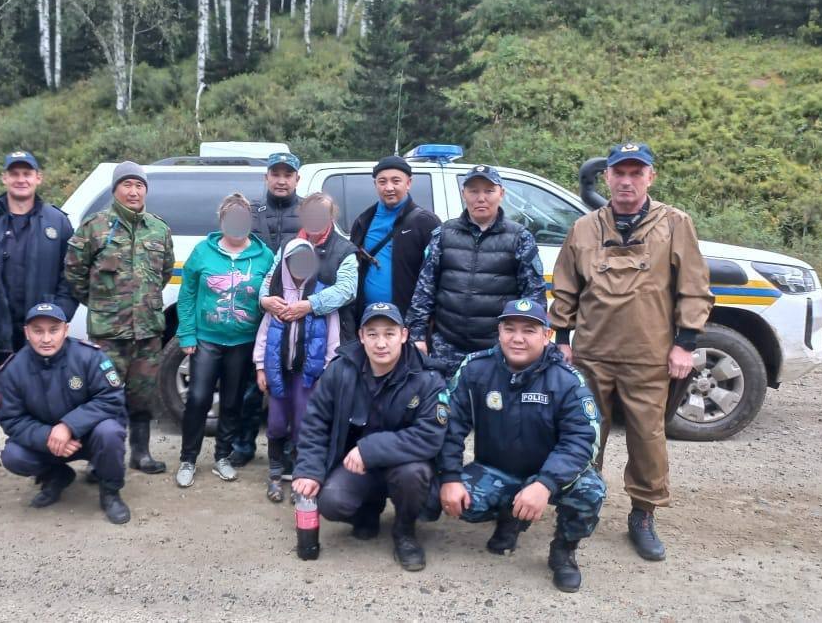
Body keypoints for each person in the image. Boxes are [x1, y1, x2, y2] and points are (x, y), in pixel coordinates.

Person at [549, 142, 713, 562]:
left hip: (649, 354)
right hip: (591, 354)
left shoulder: (675, 224)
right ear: (606, 177)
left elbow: (694, 288)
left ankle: (642, 514)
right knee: (584, 435)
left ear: (650, 177)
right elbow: (566, 287)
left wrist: (685, 344)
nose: (626, 180)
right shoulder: (584, 228)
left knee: (648, 437)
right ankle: (581, 504)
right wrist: (562, 343)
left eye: (636, 173)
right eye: (619, 172)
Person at [434, 299, 606, 592]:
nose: (517, 338)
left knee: (591, 492)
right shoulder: (476, 369)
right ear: (499, 331)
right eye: (509, 329)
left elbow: (581, 441)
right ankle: (510, 518)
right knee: (456, 500)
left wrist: (545, 484)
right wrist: (449, 478)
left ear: (546, 335)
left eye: (529, 330)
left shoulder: (567, 380)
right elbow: (450, 426)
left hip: (551, 478)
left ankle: (563, 551)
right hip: (497, 468)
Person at [292, 303, 447, 572]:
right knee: (331, 501)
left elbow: (430, 435)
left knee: (414, 474)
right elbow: (316, 422)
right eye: (373, 334)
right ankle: (368, 509)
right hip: (356, 468)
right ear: (361, 336)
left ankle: (405, 532)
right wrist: (308, 470)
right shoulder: (340, 370)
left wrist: (369, 450)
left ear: (404, 335)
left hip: (403, 465)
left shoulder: (427, 377)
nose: (381, 343)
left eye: (389, 333)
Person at [0, 150, 79, 489]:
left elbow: (72, 276)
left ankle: (49, 465)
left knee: (48, 398)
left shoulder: (57, 222)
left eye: (28, 173)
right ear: (4, 178)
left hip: (42, 333)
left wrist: (59, 319)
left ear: (39, 178)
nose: (21, 179)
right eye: (15, 173)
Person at [65, 161, 173, 475]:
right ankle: (101, 459)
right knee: (104, 397)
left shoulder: (159, 228)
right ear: (115, 189)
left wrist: (142, 302)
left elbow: (163, 273)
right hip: (108, 335)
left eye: (139, 185)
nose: (134, 191)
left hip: (147, 333)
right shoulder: (94, 227)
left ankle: (140, 454)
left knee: (142, 397)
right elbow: (74, 272)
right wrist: (102, 303)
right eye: (127, 184)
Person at [0, 303, 131, 524]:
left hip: (89, 437)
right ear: (26, 332)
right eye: (38, 331)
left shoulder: (90, 357)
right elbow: (11, 418)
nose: (46, 339)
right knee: (13, 456)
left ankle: (110, 492)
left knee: (110, 432)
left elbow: (112, 398)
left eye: (53, 330)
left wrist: (68, 426)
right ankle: (57, 475)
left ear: (66, 330)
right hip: (48, 443)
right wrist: (47, 436)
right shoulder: (13, 370)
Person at [174, 193, 275, 487]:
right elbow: (187, 294)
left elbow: (269, 295)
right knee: (197, 398)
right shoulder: (202, 252)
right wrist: (187, 333)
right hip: (207, 339)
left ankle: (222, 456)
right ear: (222, 220)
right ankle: (188, 458)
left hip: (243, 341)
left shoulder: (264, 255)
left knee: (232, 402)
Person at [406, 164, 546, 374]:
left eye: (489, 191)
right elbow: (424, 290)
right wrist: (417, 336)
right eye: (473, 191)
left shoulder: (520, 238)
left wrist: (527, 343)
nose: (481, 198)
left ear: (502, 193)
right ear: (464, 194)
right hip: (447, 347)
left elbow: (534, 296)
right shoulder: (443, 234)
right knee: (446, 405)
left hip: (498, 349)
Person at [232, 151, 308, 467]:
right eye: (275, 173)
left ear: (296, 179)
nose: (281, 180)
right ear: (266, 177)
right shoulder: (249, 212)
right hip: (254, 310)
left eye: (287, 174)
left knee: (292, 385)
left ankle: (290, 449)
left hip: (294, 312)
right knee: (250, 384)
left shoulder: (308, 212)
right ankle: (243, 444)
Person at [253, 238, 342, 502]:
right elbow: (264, 334)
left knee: (304, 423)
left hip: (309, 375)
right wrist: (260, 368)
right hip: (279, 372)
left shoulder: (320, 299)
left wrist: (327, 369)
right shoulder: (276, 299)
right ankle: (275, 473)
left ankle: (300, 475)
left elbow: (333, 339)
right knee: (277, 421)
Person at [347, 156, 441, 338]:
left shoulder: (426, 223)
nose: (389, 187)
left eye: (396, 181)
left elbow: (436, 278)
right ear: (375, 185)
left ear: (409, 183)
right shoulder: (363, 220)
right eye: (382, 181)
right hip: (367, 322)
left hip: (406, 324)